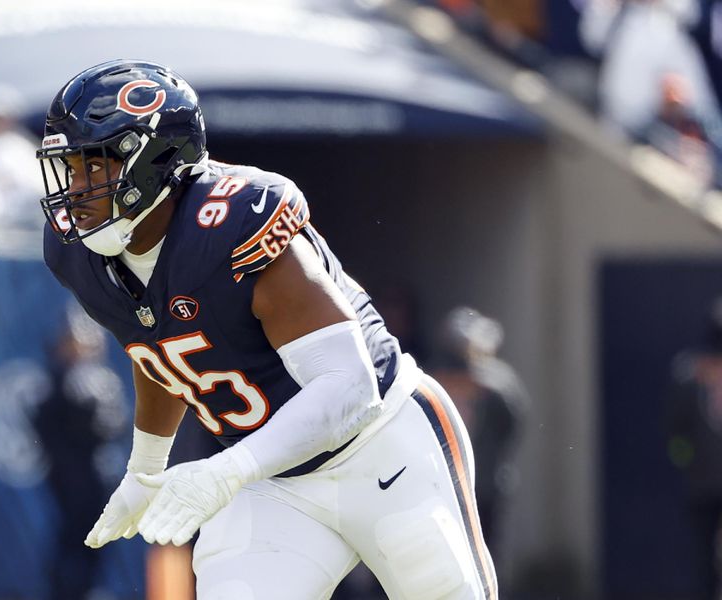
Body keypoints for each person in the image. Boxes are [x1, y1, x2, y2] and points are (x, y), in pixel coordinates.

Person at [37, 59, 496, 600]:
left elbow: (350, 388)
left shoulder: (232, 224)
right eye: (72, 167)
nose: (78, 187)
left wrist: (225, 473)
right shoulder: (80, 255)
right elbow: (161, 353)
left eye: (98, 166)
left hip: (382, 441)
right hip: (271, 481)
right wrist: (145, 468)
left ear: (155, 162)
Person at [32, 302, 129, 599]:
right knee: (74, 543)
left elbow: (117, 424)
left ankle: (88, 590)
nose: (86, 344)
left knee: (97, 545)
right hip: (71, 477)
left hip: (99, 476)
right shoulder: (59, 379)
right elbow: (46, 424)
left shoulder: (99, 379)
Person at [429, 307, 528, 578]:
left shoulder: (497, 382)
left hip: (485, 486)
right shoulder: (432, 378)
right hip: (443, 487)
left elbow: (514, 422)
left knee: (487, 557)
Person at [665, 299, 722, 600]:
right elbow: (677, 433)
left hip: (703, 480)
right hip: (703, 484)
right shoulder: (690, 377)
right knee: (704, 560)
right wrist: (688, 461)